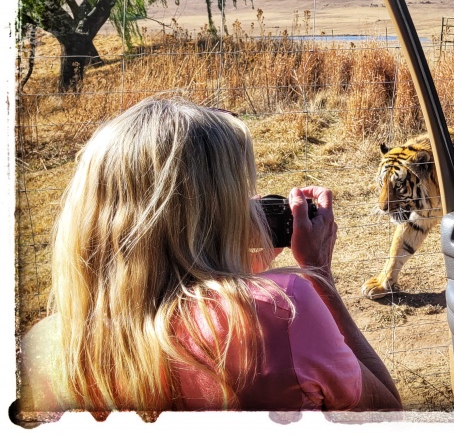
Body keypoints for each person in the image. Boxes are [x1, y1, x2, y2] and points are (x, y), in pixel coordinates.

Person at [17, 96, 402, 417]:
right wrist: (319, 276)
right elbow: (388, 413)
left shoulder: (46, 347)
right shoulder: (283, 312)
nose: (251, 207)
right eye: (239, 194)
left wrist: (223, 266)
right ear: (214, 214)